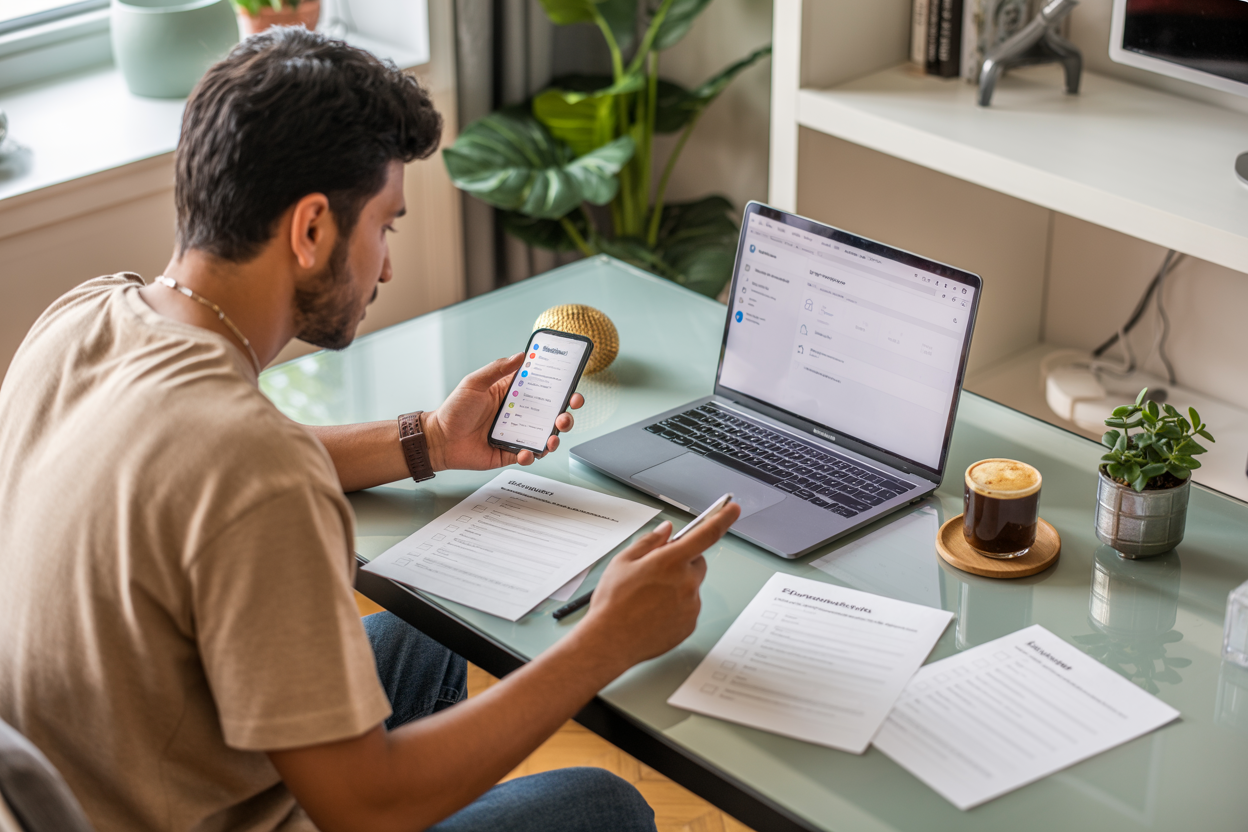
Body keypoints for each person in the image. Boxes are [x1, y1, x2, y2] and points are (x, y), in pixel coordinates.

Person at [0, 27, 740, 832]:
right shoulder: (254, 470)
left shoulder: (82, 318)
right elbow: (366, 808)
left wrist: (430, 438)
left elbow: (192, 474)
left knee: (429, 635)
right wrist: (605, 641)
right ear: (312, 229)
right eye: (385, 226)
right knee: (604, 807)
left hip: (102, 772)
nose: (386, 265)